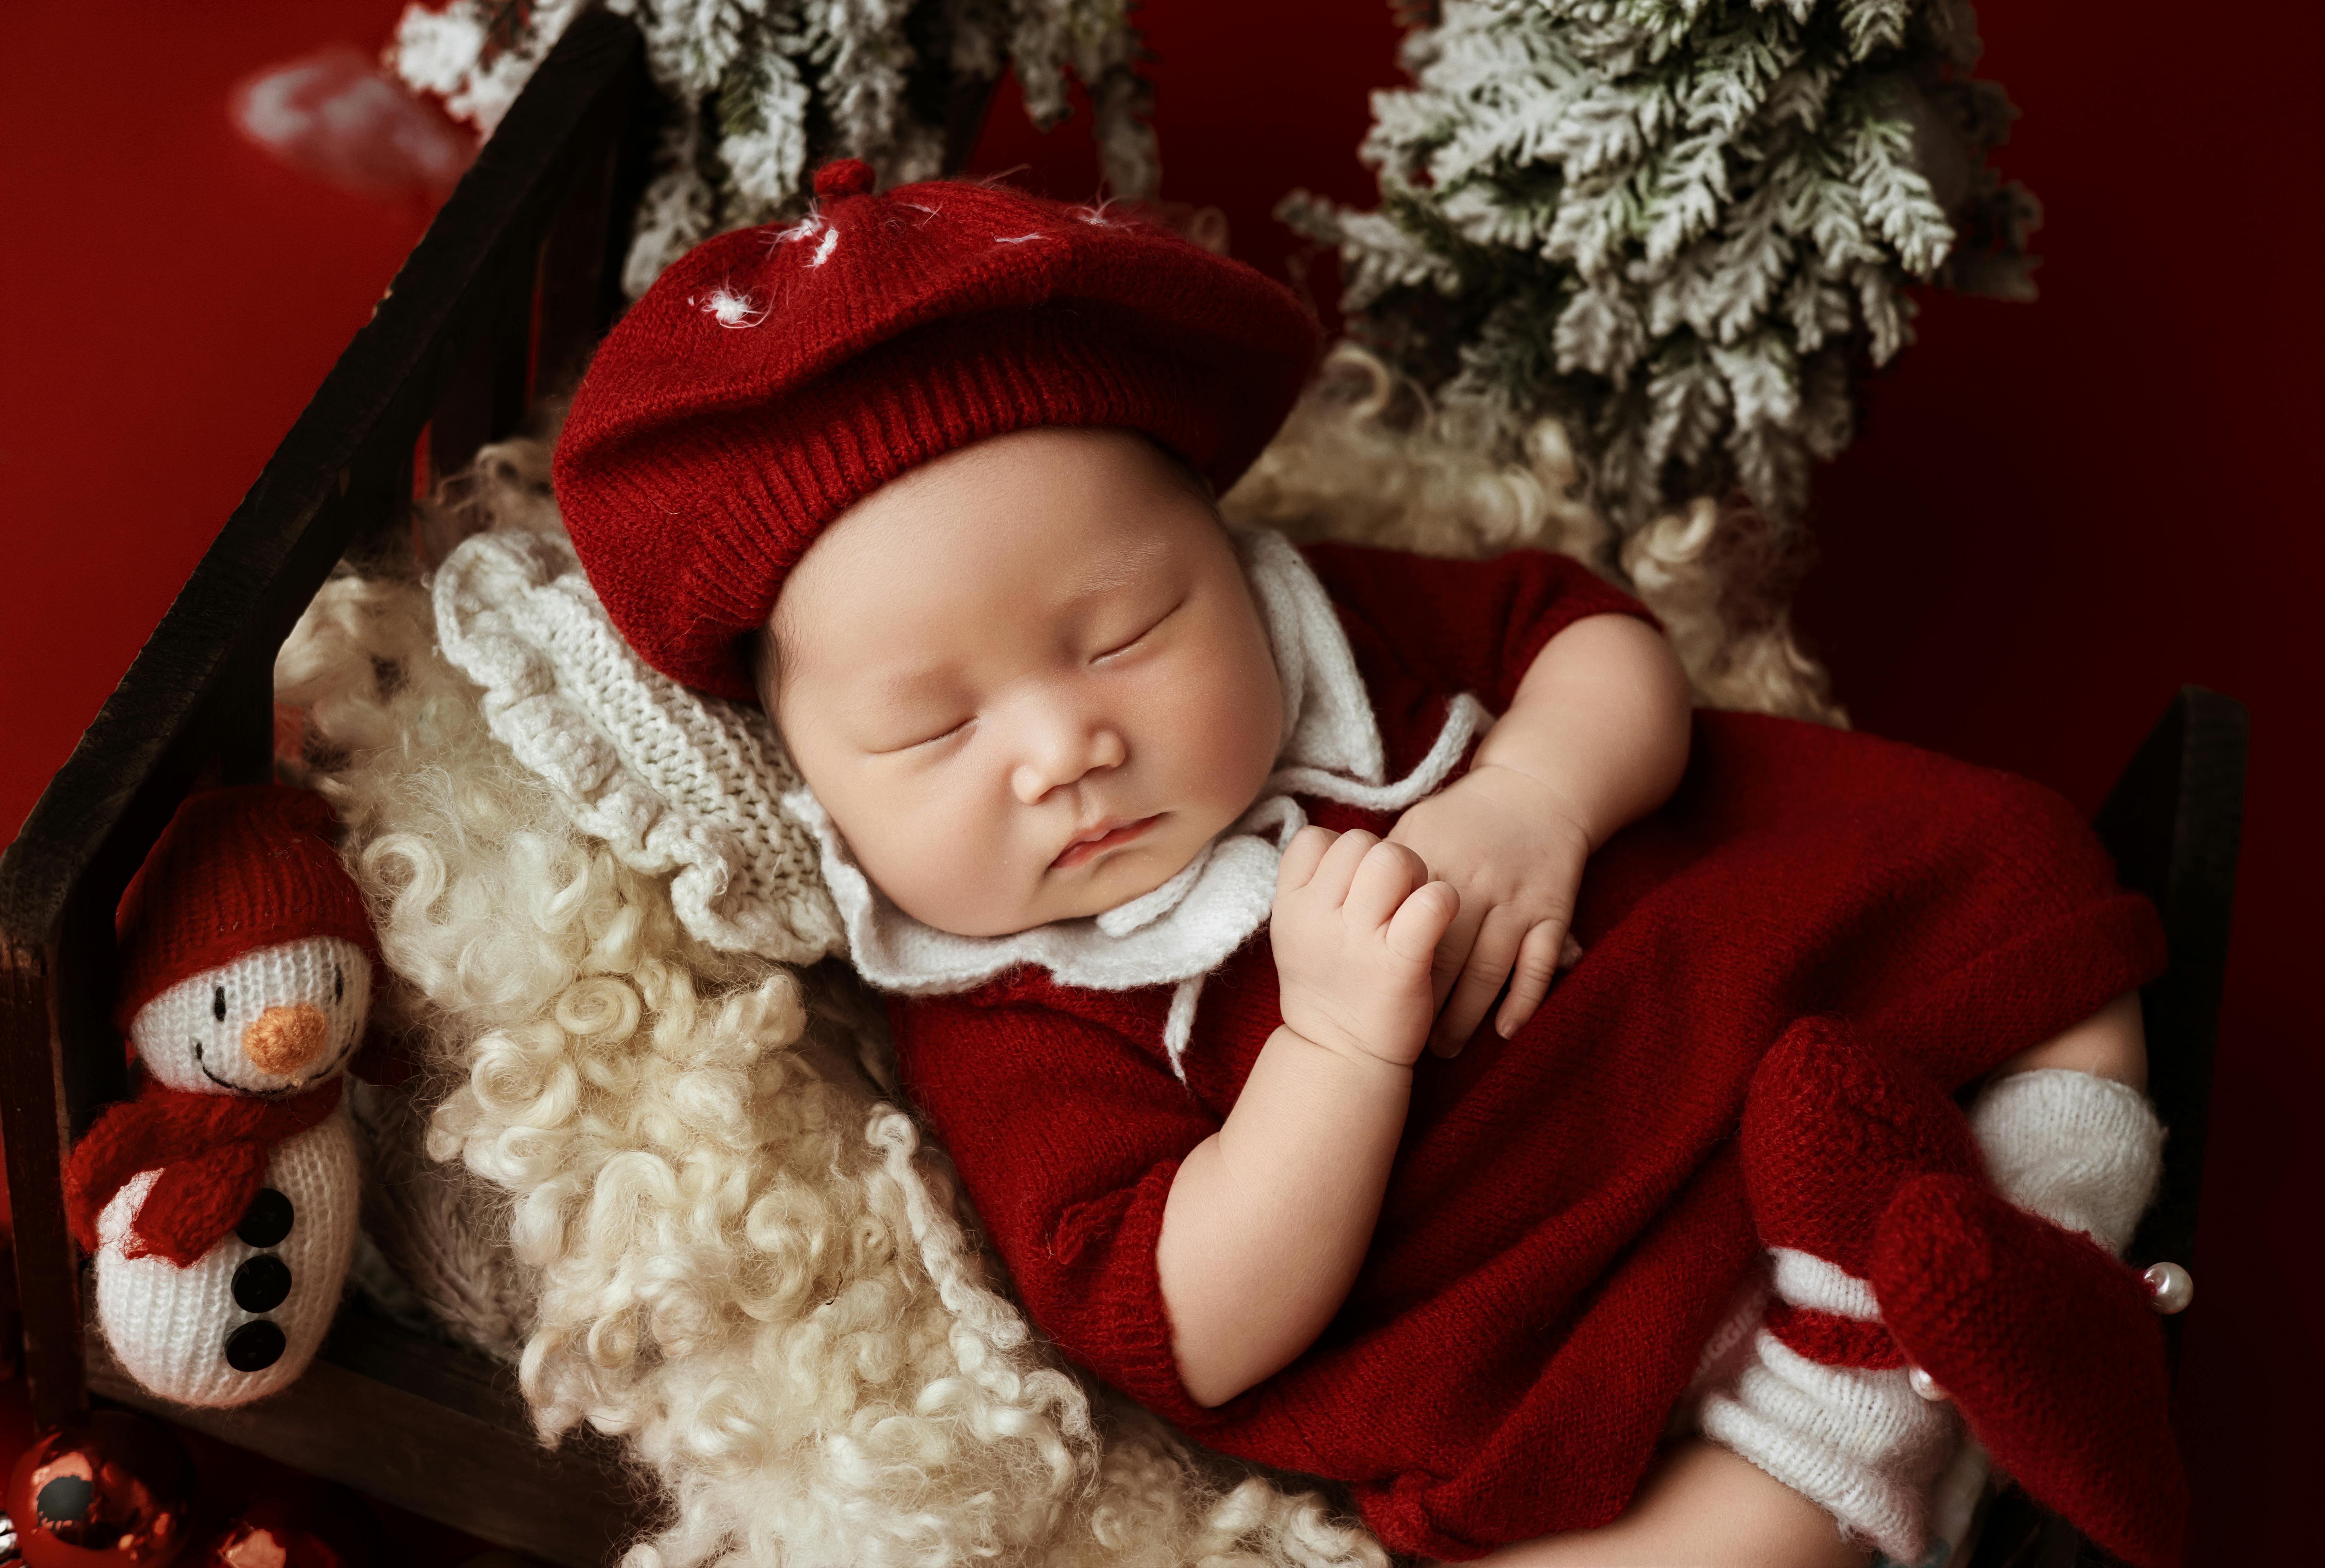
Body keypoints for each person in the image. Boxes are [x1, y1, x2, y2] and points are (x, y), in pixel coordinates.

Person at [547, 160, 2185, 1567]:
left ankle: (2040, 1232)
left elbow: (1594, 639)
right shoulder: (1007, 1006)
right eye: (930, 730)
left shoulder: (1326, 616)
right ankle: (1868, 1381)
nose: (1063, 748)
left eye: (1131, 631)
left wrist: (1539, 789)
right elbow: (1190, 1316)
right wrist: (1333, 1049)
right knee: (1704, 1539)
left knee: (2015, 884)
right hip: (1545, 1290)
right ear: (818, 785)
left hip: (1727, 994)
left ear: (1225, 553)